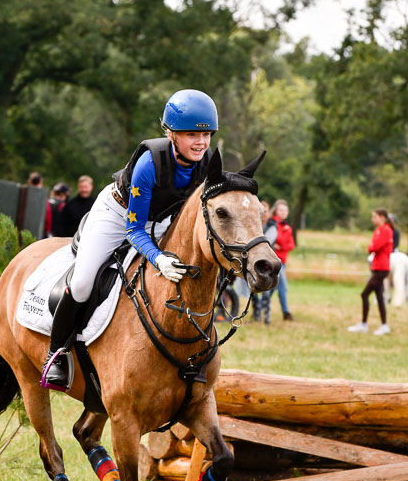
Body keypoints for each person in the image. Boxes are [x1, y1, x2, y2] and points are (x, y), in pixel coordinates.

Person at [41, 89, 218, 389]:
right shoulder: (149, 163)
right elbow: (134, 230)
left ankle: (190, 355)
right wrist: (159, 258)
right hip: (118, 214)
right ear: (171, 133)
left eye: (207, 135)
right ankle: (56, 353)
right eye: (191, 134)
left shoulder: (206, 163)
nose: (201, 142)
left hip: (163, 219)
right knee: (83, 282)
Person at [348, 208, 394, 335]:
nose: (372, 220)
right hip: (376, 267)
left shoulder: (385, 230)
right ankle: (384, 325)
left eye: (375, 217)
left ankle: (364, 324)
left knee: (364, 294)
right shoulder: (378, 230)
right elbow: (372, 247)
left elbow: (375, 247)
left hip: (382, 268)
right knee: (379, 297)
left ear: (382, 217)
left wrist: (372, 247)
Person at [268, 199, 295, 321]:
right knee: (283, 285)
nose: (283, 212)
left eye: (285, 210)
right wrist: (277, 245)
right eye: (281, 210)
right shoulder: (272, 223)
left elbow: (291, 245)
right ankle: (286, 312)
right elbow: (271, 241)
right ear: (276, 211)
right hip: (274, 260)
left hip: (283, 261)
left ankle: (262, 306)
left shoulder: (287, 227)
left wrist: (281, 246)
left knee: (273, 287)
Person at [252, 201, 272, 323]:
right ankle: (256, 315)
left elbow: (269, 240)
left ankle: (266, 317)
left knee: (266, 292)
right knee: (254, 289)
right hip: (256, 260)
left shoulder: (271, 225)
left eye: (266, 211)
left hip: (268, 261)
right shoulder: (254, 225)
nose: (264, 214)